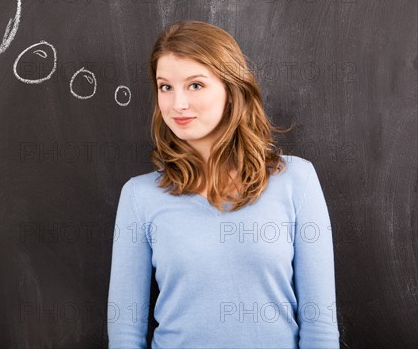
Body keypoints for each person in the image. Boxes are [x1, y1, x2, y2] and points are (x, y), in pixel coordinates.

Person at [106, 21, 339, 348]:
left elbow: (321, 328)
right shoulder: (139, 196)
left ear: (232, 89)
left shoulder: (295, 181)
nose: (178, 105)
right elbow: (125, 334)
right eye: (165, 87)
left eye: (195, 85)